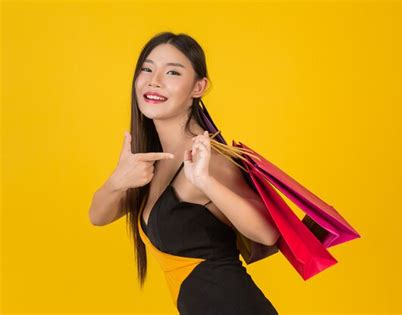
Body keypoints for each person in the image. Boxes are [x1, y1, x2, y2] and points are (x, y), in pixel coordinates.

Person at [88, 31, 280, 314]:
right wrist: (118, 181)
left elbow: (267, 234)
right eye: (147, 68)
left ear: (198, 87)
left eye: (173, 72)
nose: (155, 80)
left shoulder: (207, 158)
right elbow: (98, 216)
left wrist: (204, 181)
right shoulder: (151, 160)